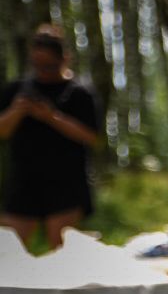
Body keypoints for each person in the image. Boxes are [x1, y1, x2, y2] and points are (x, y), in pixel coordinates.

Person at [0, 25, 101, 250]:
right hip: (23, 181)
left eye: (49, 65)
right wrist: (17, 110)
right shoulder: (16, 90)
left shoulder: (78, 93)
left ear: (64, 59)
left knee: (63, 253)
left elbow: (91, 136)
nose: (43, 71)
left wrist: (51, 117)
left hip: (66, 183)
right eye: (38, 65)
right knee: (7, 251)